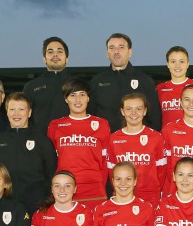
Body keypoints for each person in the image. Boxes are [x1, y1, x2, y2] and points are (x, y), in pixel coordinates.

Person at [47, 79, 110, 210]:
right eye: (72, 95)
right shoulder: (55, 126)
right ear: (66, 99)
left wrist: (99, 183)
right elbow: (50, 162)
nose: (78, 99)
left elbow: (106, 161)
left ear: (88, 98)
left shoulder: (102, 124)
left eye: (82, 94)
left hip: (94, 189)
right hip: (65, 190)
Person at [89, 33, 161, 132]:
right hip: (106, 143)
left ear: (130, 52)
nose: (116, 51)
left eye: (121, 47)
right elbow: (90, 115)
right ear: (107, 53)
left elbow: (155, 117)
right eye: (112, 48)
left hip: (137, 143)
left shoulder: (145, 80)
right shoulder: (97, 81)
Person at [0, 92, 57, 215]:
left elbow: (52, 172)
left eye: (21, 109)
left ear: (29, 112)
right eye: (12, 109)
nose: (16, 114)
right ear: (7, 112)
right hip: (5, 203)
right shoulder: (1, 139)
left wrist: (46, 198)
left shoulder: (42, 140)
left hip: (36, 203)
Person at [107, 93, 167, 208]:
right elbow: (111, 171)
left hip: (150, 197)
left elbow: (162, 171)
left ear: (145, 111)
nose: (134, 113)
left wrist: (152, 189)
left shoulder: (156, 137)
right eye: (129, 109)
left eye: (138, 109)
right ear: (122, 111)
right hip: (123, 195)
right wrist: (121, 190)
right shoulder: (113, 139)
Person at [23, 37, 74, 133]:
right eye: (50, 52)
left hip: (71, 142)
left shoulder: (79, 85)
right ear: (44, 59)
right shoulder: (31, 86)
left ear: (66, 59)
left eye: (60, 51)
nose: (55, 55)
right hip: (40, 143)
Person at [156, 46, 193, 128]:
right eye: (173, 62)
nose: (177, 66)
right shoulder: (159, 89)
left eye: (182, 61)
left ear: (188, 64)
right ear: (167, 64)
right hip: (168, 138)